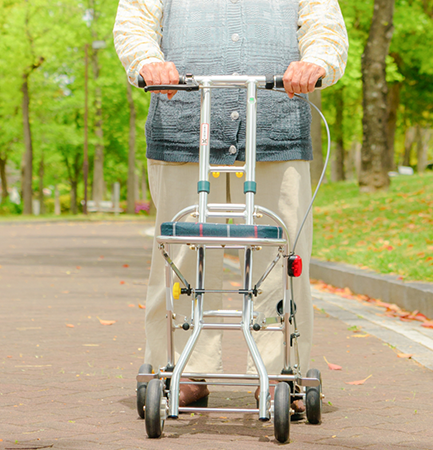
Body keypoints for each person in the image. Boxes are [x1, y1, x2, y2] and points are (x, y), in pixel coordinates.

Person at [114, 0, 348, 413]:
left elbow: (325, 28)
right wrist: (148, 61)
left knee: (281, 256)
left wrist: (316, 61)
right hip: (184, 125)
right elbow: (134, 22)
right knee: (179, 254)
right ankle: (183, 368)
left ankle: (279, 370)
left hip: (276, 127)